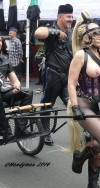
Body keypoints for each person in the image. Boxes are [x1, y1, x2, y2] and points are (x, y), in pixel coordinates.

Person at [67, 10, 100, 188]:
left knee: (95, 142)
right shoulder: (80, 55)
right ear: (86, 38)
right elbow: (71, 83)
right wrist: (76, 107)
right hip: (84, 103)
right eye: (95, 33)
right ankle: (79, 159)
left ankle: (92, 185)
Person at [34, 4, 73, 146]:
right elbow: (38, 33)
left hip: (67, 76)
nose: (71, 19)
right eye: (68, 16)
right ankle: (45, 132)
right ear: (60, 17)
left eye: (72, 16)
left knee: (73, 103)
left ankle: (84, 131)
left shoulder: (71, 32)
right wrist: (56, 33)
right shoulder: (51, 29)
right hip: (53, 74)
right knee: (47, 104)